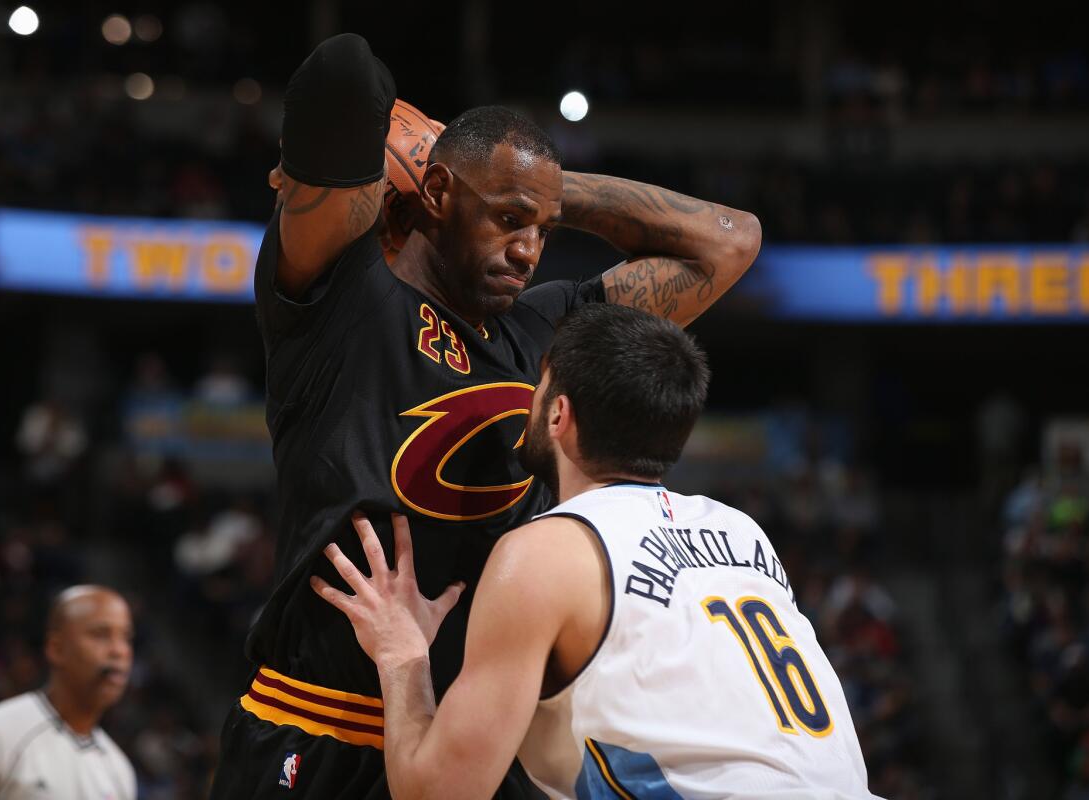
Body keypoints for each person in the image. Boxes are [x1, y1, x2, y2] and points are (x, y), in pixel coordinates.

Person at [210, 31, 762, 799]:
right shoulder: (343, 295)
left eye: (541, 228)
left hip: (468, 742)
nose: (532, 249)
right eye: (508, 220)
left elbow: (729, 243)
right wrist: (433, 148)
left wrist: (544, 189)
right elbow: (342, 71)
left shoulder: (545, 330)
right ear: (434, 193)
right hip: (320, 727)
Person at [316, 304, 879, 800]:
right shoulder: (740, 530)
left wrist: (401, 655)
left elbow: (439, 794)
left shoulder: (545, 552)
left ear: (558, 414)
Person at [0, 586, 136, 800]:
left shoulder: (119, 769)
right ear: (56, 648)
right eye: (100, 634)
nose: (119, 650)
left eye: (126, 637)